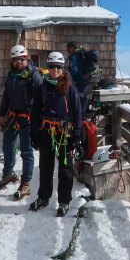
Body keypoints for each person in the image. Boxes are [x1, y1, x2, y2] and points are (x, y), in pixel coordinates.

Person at [29, 52, 82, 217]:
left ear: (62, 68)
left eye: (58, 66)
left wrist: (77, 134)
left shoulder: (69, 88)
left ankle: (64, 201)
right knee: (45, 166)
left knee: (65, 168)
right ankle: (44, 197)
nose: (55, 70)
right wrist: (34, 134)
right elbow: (35, 111)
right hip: (46, 131)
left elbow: (78, 112)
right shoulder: (42, 87)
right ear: (48, 68)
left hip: (64, 133)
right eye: (52, 66)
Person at [0, 45, 43, 200]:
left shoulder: (33, 76)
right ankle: (8, 174)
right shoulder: (11, 76)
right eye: (16, 60)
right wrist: (1, 114)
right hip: (12, 115)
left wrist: (39, 119)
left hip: (28, 118)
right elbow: (6, 97)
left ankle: (26, 184)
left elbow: (42, 99)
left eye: (21, 59)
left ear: (27, 58)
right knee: (7, 145)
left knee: (26, 151)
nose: (19, 62)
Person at [66, 41, 91, 120]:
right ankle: (84, 128)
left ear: (73, 48)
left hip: (79, 85)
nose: (68, 51)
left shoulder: (73, 57)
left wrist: (68, 71)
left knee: (77, 109)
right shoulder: (83, 56)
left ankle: (79, 129)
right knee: (83, 110)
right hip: (87, 85)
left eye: (68, 48)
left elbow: (74, 71)